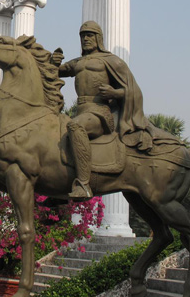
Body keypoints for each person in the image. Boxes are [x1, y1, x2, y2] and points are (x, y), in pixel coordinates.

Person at [52, 20, 150, 200]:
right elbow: (57, 71)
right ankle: (58, 186)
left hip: (100, 113)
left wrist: (115, 92)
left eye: (89, 35)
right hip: (81, 110)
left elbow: (134, 91)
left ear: (98, 38)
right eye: (82, 36)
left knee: (75, 127)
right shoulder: (78, 62)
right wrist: (52, 62)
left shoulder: (112, 61)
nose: (85, 39)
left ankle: (83, 184)